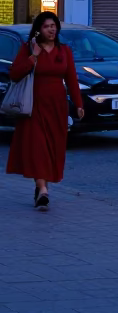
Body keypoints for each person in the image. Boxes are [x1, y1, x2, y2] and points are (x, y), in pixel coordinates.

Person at [5, 13, 84, 207]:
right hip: (34, 105)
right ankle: (43, 190)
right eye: (47, 26)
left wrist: (79, 104)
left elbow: (72, 79)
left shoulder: (64, 51)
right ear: (39, 29)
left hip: (57, 106)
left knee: (51, 149)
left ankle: (41, 187)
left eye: (54, 26)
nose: (52, 29)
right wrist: (33, 56)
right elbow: (15, 74)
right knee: (38, 148)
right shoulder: (29, 48)